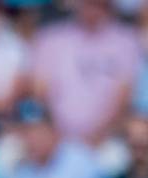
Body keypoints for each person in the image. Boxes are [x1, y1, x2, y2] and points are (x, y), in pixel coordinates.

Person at [31, 0, 139, 146]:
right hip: (54, 138)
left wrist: (97, 135)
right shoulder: (50, 38)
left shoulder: (126, 41)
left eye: (99, 4)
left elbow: (123, 98)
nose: (92, 9)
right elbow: (40, 93)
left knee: (114, 159)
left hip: (106, 138)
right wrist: (57, 135)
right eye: (88, 3)